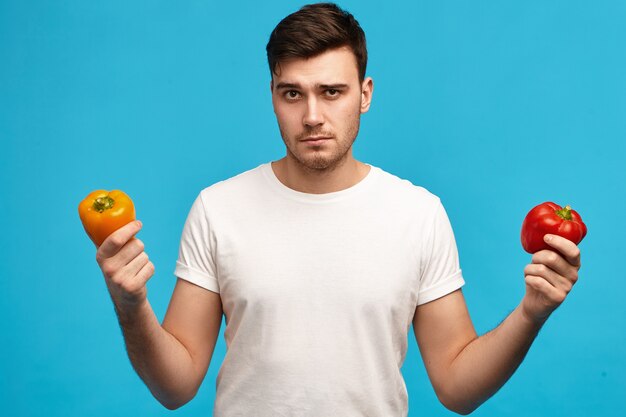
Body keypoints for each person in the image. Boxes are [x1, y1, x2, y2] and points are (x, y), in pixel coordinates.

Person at [94, 3, 582, 416]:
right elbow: (174, 387)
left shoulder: (417, 213)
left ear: (364, 95)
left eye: (332, 92)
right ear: (273, 97)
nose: (312, 116)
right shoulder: (218, 208)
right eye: (293, 94)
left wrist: (532, 312)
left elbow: (457, 387)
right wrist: (131, 304)